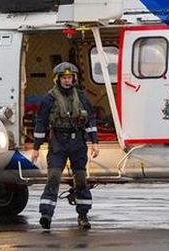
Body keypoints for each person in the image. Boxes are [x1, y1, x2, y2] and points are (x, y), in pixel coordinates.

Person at [31, 62, 100, 230]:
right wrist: (36, 147)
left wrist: (95, 142)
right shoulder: (49, 98)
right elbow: (40, 122)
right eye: (64, 78)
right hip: (58, 143)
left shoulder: (81, 96)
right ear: (58, 79)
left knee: (81, 180)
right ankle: (46, 215)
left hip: (78, 143)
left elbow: (90, 119)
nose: (67, 81)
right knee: (53, 177)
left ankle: (83, 216)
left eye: (70, 77)